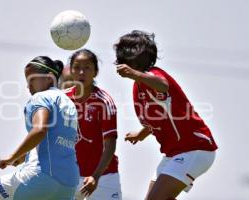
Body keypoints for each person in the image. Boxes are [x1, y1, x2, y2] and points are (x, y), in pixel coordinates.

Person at [114, 30, 218, 200]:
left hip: (195, 147)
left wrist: (134, 73)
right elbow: (159, 116)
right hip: (174, 153)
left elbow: (163, 85)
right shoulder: (138, 87)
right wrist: (142, 132)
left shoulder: (154, 74)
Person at [0, 56, 79, 200]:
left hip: (40, 177)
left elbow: (39, 130)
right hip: (69, 183)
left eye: (31, 80)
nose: (28, 86)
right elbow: (57, 141)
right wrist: (24, 156)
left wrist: (13, 157)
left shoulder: (40, 97)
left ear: (49, 78)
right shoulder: (69, 103)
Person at [63, 49, 122, 200]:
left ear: (95, 72)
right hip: (69, 178)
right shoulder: (61, 99)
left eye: (87, 67)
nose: (81, 72)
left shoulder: (104, 102)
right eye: (77, 67)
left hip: (103, 178)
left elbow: (110, 144)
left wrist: (95, 177)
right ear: (71, 70)